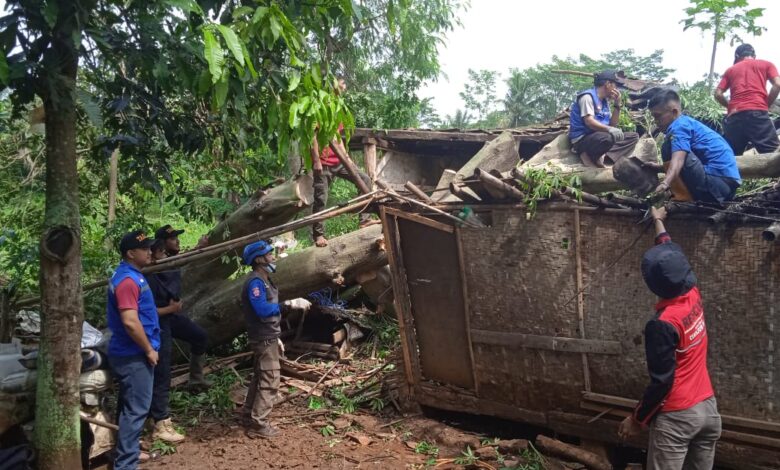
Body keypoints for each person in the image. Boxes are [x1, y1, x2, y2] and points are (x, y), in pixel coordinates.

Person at [618, 206, 721, 469]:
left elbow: (662, 382)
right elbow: (670, 252)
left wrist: (636, 419)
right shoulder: (693, 294)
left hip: (678, 418)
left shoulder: (662, 324)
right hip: (708, 410)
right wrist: (658, 222)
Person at [238, 240, 311, 438]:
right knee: (270, 379)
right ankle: (259, 424)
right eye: (269, 254)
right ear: (259, 259)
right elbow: (261, 309)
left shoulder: (264, 279)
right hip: (263, 338)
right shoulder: (255, 282)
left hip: (267, 336)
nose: (273, 257)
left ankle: (248, 416)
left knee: (260, 376)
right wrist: (288, 304)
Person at [107, 230, 160, 470]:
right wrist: (148, 349)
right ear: (131, 253)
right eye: (145, 249)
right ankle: (126, 464)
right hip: (133, 354)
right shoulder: (127, 281)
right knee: (136, 410)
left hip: (131, 352)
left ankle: (124, 453)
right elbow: (130, 321)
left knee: (129, 406)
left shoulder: (130, 276)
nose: (150, 252)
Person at [310, 77, 377, 247]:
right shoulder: (320, 105)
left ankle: (364, 219)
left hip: (338, 160)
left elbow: (338, 138)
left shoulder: (337, 107)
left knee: (365, 180)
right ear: (333, 84)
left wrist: (346, 157)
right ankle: (318, 235)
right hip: (323, 163)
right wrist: (316, 160)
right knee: (321, 199)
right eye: (342, 83)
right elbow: (312, 136)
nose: (344, 86)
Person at [647, 89, 741, 203]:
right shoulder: (688, 123)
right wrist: (659, 168)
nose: (656, 121)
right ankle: (684, 196)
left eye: (658, 116)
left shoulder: (679, 126)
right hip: (725, 188)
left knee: (668, 146)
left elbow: (679, 159)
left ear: (674, 112)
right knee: (675, 147)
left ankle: (683, 198)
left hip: (715, 185)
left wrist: (665, 183)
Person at [153, 225, 211, 391]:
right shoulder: (158, 261)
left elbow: (182, 258)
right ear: (162, 244)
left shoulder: (172, 257)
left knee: (200, 337)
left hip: (172, 315)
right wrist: (197, 249)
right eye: (172, 239)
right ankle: (157, 395)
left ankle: (196, 380)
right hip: (158, 316)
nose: (177, 241)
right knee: (162, 357)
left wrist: (198, 249)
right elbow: (178, 260)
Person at [144, 238, 186, 444]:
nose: (162, 257)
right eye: (160, 253)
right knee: (159, 375)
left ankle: (152, 418)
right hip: (154, 331)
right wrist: (171, 309)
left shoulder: (150, 275)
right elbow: (144, 312)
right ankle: (160, 421)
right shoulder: (145, 278)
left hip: (159, 328)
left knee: (157, 375)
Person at [714, 44, 780, 155]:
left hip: (734, 117)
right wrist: (766, 104)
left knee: (731, 156)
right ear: (754, 55)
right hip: (757, 113)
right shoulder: (766, 64)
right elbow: (777, 85)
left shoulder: (730, 70)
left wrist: (730, 107)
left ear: (737, 57)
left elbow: (718, 94)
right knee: (774, 155)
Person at [568, 70, 639, 168]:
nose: (617, 89)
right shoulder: (587, 97)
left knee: (633, 137)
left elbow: (612, 125)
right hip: (583, 139)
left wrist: (617, 105)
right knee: (607, 138)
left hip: (599, 135)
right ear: (608, 84)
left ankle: (605, 157)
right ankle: (584, 153)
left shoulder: (605, 102)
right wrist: (609, 129)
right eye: (615, 85)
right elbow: (589, 122)